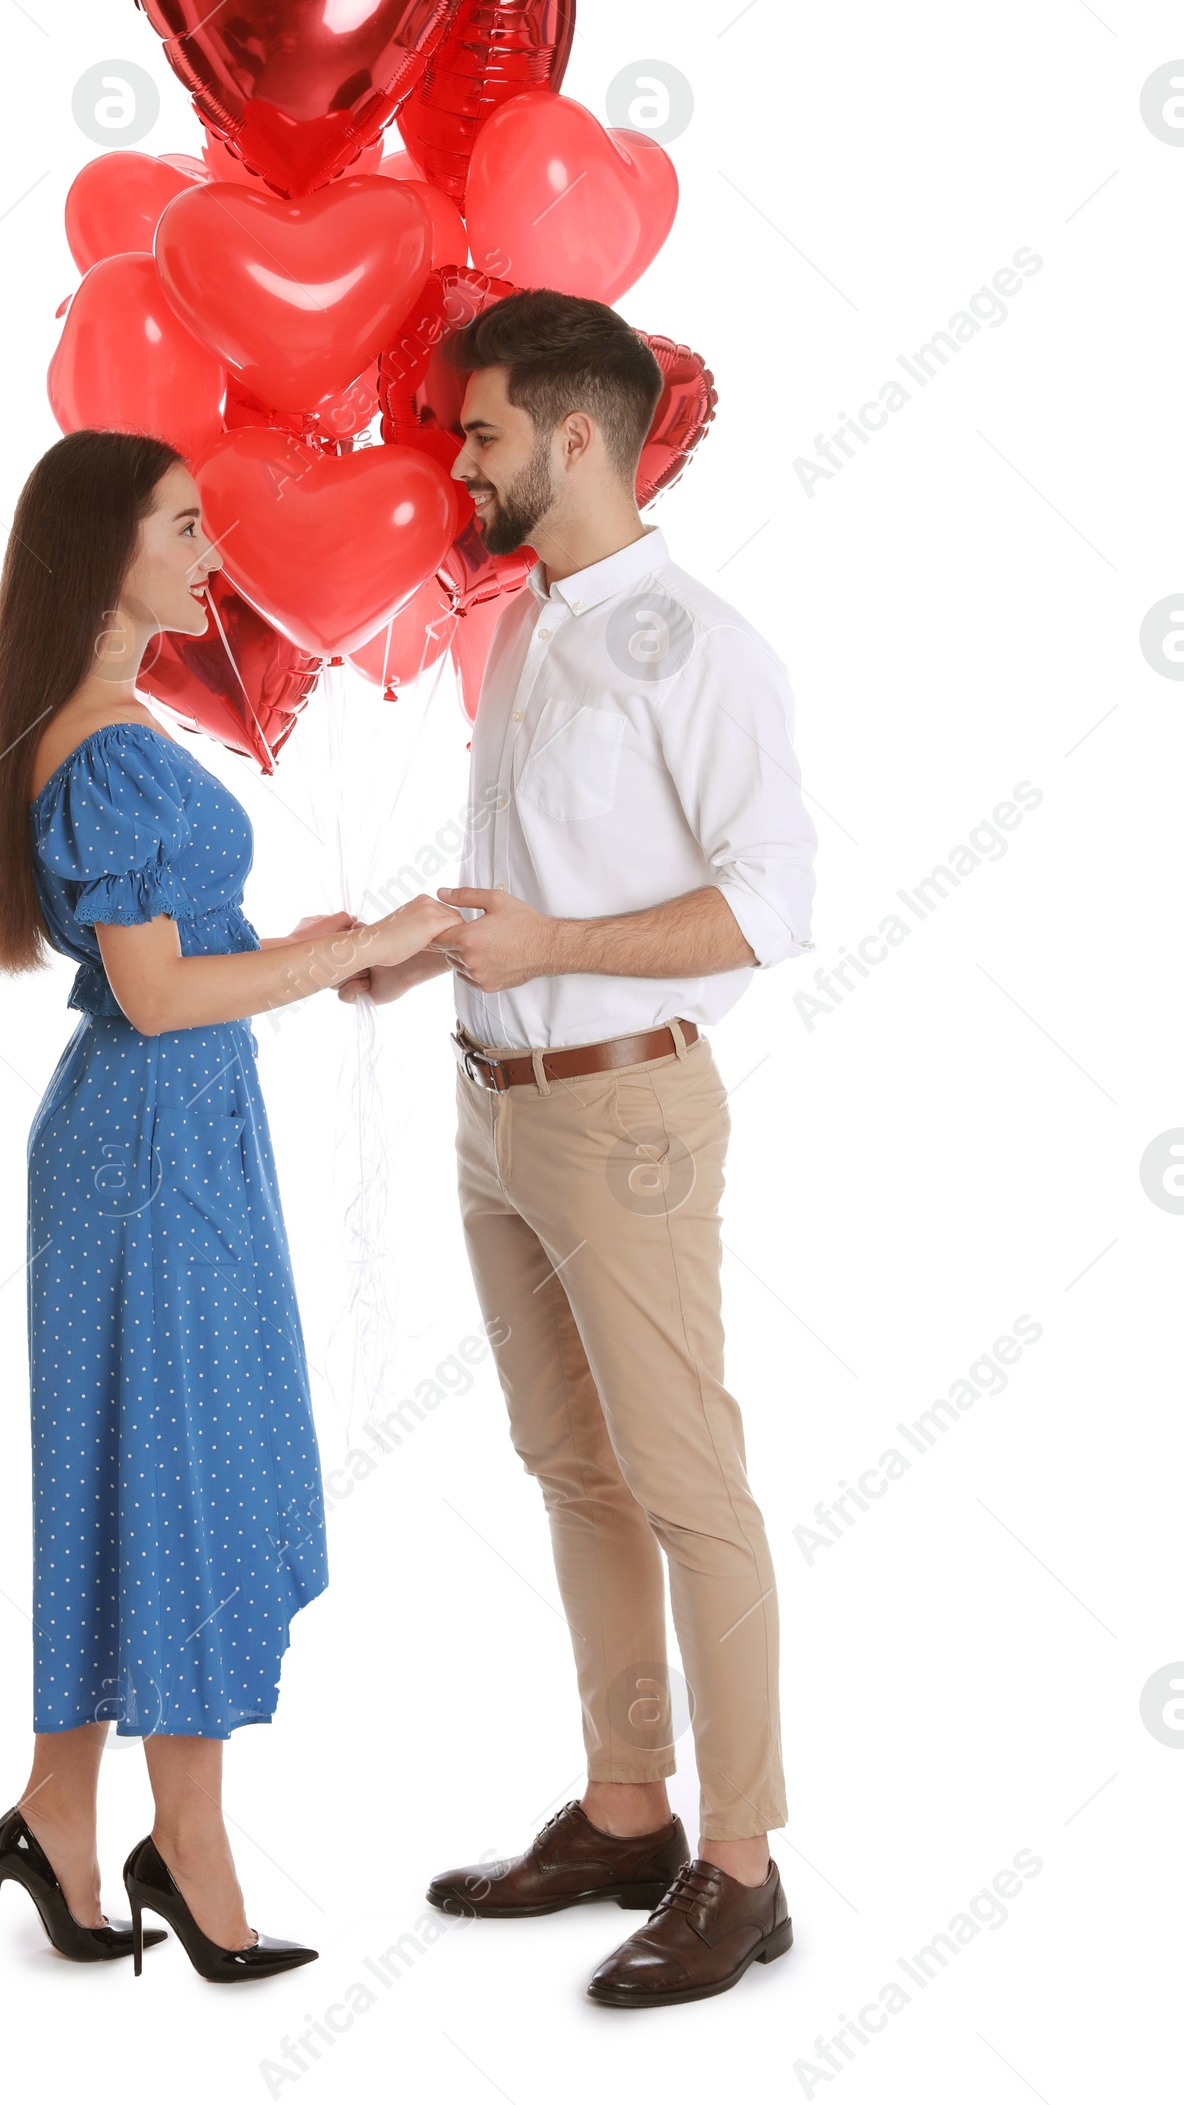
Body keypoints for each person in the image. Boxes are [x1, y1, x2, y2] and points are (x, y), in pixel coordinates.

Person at [340, 290, 817, 2008]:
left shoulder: (695, 641)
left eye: (477, 434)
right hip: (492, 1108)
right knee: (574, 1469)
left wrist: (550, 953)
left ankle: (743, 1870)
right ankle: (628, 1812)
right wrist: (415, 952)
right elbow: (540, 872)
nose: (453, 461)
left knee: (689, 1485)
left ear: (578, 437)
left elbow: (770, 906)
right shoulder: (533, 621)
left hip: (624, 1118)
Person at [0, 429, 458, 1983]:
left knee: (147, 1465)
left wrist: (315, 940)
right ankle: (179, 1839)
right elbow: (159, 994)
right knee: (176, 1467)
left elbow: (178, 963)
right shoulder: (103, 748)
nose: (209, 554)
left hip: (165, 1135)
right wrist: (342, 947)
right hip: (151, 1144)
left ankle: (70, 1808)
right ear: (102, 551)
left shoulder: (93, 727)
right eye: (183, 527)